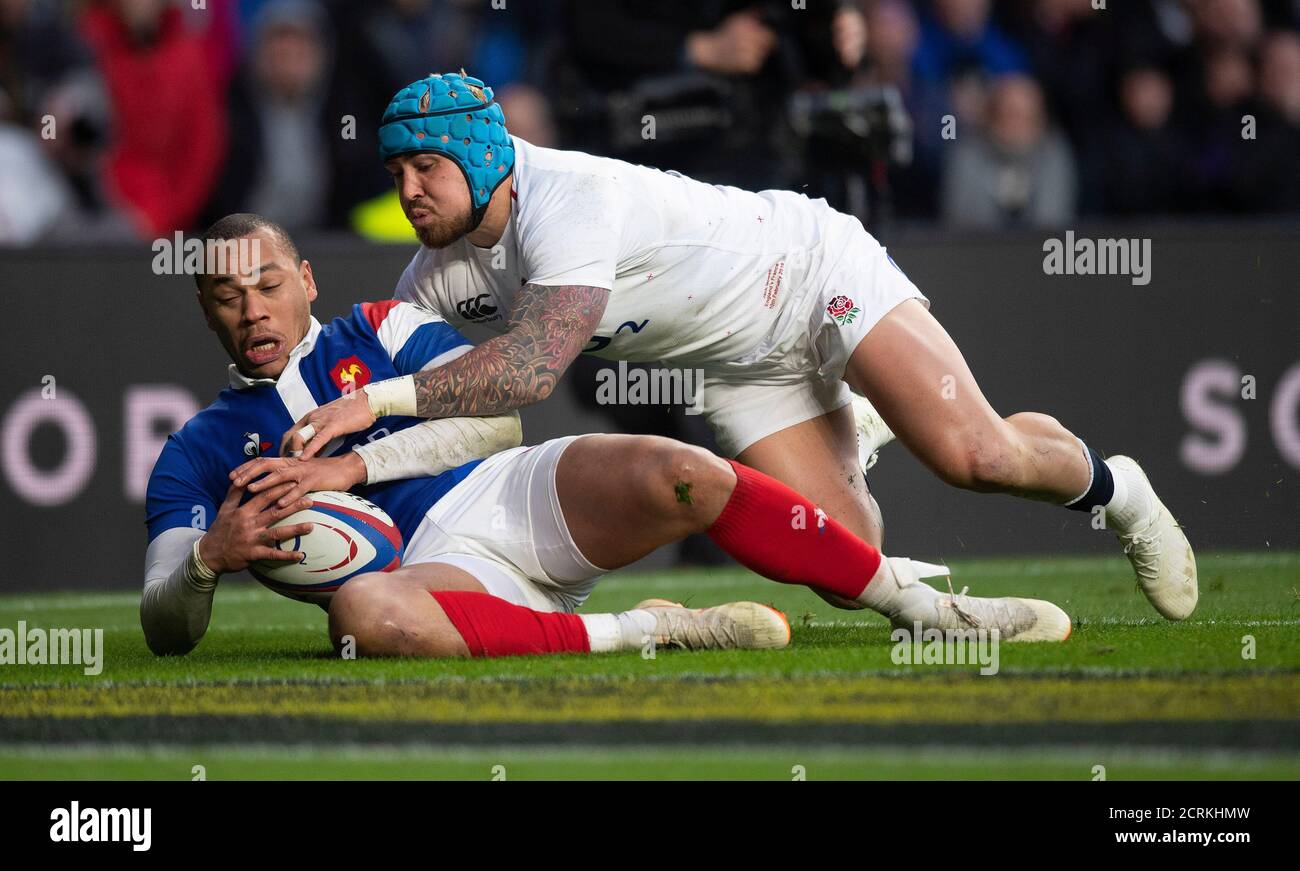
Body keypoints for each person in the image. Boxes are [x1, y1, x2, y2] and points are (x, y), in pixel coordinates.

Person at [282, 72, 1197, 622]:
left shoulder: (564, 201)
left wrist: (371, 405)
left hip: (805, 271)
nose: (408, 190)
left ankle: (1122, 492)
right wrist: (340, 460)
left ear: (483, 157)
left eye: (426, 167)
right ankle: (861, 426)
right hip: (738, 365)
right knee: (850, 565)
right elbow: (442, 400)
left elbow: (526, 370)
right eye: (396, 172)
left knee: (977, 456)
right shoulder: (438, 271)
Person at [141, 213, 1071, 659]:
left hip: (508, 493)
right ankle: (647, 628)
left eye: (267, 283)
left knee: (685, 472)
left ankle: (922, 608)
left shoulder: (379, 329)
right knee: (365, 618)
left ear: (304, 278)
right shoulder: (198, 450)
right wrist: (208, 561)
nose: (251, 309)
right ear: (204, 310)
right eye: (226, 296)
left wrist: (359, 458)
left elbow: (498, 418)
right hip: (431, 578)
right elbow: (165, 627)